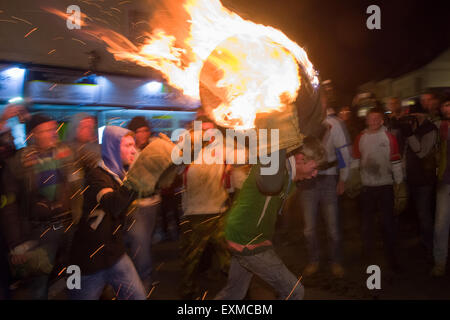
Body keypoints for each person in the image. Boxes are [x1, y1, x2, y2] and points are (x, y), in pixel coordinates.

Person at [215, 137, 325, 300]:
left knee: (233, 293)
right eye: (314, 167)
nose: (315, 174)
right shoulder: (275, 170)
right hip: (248, 240)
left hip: (244, 235)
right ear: (301, 159)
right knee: (295, 292)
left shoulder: (289, 177)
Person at [0, 114, 83, 299]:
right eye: (46, 130)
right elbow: (9, 207)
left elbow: (78, 188)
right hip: (40, 232)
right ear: (33, 135)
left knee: (74, 275)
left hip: (69, 228)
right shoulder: (19, 163)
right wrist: (17, 243)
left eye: (54, 129)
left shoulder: (67, 154)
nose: (53, 134)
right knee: (39, 285)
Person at [69, 126, 146, 300]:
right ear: (112, 147)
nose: (134, 150)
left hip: (115, 254)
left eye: (134, 145)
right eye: (128, 145)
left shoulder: (121, 175)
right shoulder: (96, 176)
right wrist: (136, 175)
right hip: (87, 261)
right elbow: (113, 204)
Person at [179, 121, 231, 299]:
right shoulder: (186, 152)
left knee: (227, 255)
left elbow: (245, 155)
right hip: (195, 215)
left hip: (218, 211)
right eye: (204, 130)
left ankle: (239, 289)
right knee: (192, 258)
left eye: (211, 130)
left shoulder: (222, 149)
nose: (208, 134)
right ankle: (187, 293)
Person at [299, 103, 352, 278]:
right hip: (307, 181)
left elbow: (344, 152)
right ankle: (313, 260)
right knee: (309, 229)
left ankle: (335, 261)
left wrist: (343, 178)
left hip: (328, 178)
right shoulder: (302, 123)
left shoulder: (334, 124)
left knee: (333, 227)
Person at [353, 107, 404, 272]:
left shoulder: (389, 137)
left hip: (385, 187)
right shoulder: (361, 137)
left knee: (388, 224)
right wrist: (353, 181)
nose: (373, 121)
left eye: (377, 119)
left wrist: (399, 184)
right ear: (366, 120)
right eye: (371, 118)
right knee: (367, 224)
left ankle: (393, 258)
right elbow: (355, 160)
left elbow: (396, 161)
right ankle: (367, 256)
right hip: (367, 188)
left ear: (382, 121)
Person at [126, 116, 161, 289]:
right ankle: (143, 280)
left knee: (145, 242)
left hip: (154, 203)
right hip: (135, 206)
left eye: (145, 130)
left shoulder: (154, 148)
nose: (142, 134)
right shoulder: (128, 151)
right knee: (140, 243)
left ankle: (141, 275)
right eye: (138, 131)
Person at [400, 103, 437, 260]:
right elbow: (406, 151)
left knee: (424, 214)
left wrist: (409, 135)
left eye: (416, 115)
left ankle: (430, 246)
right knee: (417, 212)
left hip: (424, 180)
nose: (414, 118)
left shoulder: (431, 130)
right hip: (412, 177)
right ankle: (423, 239)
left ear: (424, 115)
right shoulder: (415, 128)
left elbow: (421, 152)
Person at [432, 94, 450, 277]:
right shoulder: (442, 127)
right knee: (440, 225)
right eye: (444, 105)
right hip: (445, 182)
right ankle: (440, 262)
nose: (446, 109)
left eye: (449, 105)